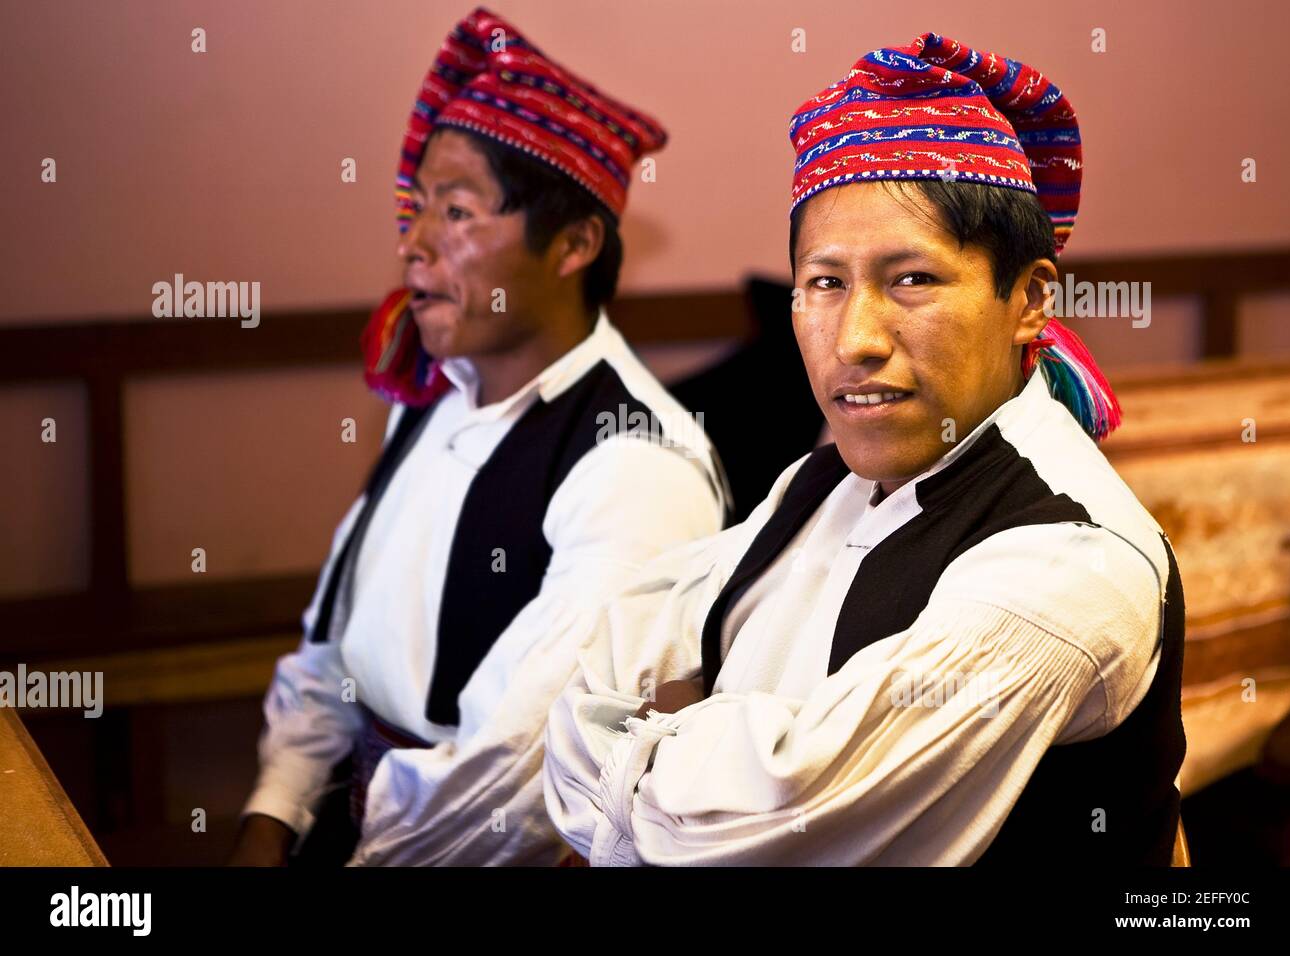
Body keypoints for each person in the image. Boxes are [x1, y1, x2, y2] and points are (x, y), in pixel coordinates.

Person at [542, 32, 1186, 866]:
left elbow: (786, 818)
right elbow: (604, 660)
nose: (854, 339)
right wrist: (691, 761)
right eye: (825, 283)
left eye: (912, 279)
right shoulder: (820, 483)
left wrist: (639, 759)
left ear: (1028, 300)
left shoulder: (1068, 561)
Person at [230, 6, 728, 867]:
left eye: (457, 212)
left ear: (574, 244)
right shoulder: (433, 390)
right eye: (418, 206)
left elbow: (511, 779)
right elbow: (330, 654)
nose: (414, 243)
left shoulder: (637, 468)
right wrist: (272, 819)